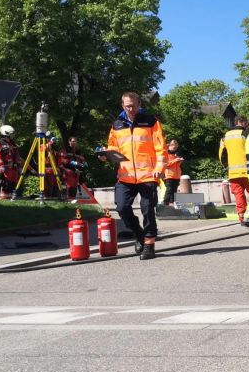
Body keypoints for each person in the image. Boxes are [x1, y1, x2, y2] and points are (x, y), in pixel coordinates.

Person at [102, 91, 166, 260]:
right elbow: (112, 147)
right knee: (122, 208)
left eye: (133, 105)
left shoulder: (151, 121)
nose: (130, 108)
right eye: (127, 106)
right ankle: (140, 236)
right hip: (126, 175)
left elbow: (161, 148)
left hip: (148, 175)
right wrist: (105, 155)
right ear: (122, 105)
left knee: (147, 210)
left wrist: (159, 167)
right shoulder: (117, 125)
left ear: (139, 104)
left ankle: (149, 246)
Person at [219, 116, 249, 223]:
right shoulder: (246, 134)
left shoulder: (225, 136)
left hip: (233, 173)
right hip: (248, 171)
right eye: (246, 122)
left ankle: (242, 218)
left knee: (239, 195)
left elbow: (221, 155)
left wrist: (227, 166)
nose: (247, 125)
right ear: (241, 122)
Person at [0, 125, 22, 200]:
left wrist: (19, 166)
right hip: (5, 167)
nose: (12, 136)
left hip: (14, 167)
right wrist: (1, 165)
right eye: (11, 135)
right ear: (6, 134)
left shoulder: (13, 144)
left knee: (14, 183)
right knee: (6, 183)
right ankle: (4, 198)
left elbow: (17, 156)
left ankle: (12, 197)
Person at [58, 136, 87, 200]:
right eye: (72, 141)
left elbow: (82, 159)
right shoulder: (65, 150)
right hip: (67, 172)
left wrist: (84, 163)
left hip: (76, 173)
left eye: (75, 141)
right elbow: (63, 161)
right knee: (68, 187)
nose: (74, 143)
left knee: (74, 187)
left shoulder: (78, 151)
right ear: (69, 142)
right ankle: (67, 200)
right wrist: (74, 163)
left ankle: (72, 200)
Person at [162, 139, 184, 206]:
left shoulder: (176, 154)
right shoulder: (165, 154)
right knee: (169, 190)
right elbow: (165, 164)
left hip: (176, 176)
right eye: (173, 146)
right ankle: (165, 204)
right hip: (169, 175)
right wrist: (175, 160)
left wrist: (180, 161)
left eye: (176, 147)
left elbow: (176, 166)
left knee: (174, 191)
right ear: (169, 145)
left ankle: (172, 204)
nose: (174, 148)